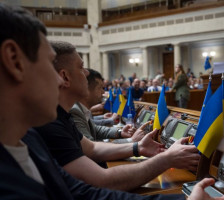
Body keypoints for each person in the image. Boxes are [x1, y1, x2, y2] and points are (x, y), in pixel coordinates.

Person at [0, 3, 188, 199]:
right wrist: (165, 159)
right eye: (48, 63)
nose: (58, 81)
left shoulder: (30, 138)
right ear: (14, 61)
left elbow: (82, 192)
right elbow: (97, 183)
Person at [35, 41, 201, 192]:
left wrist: (137, 147)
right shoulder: (49, 123)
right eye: (81, 67)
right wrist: (166, 159)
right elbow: (103, 181)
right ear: (65, 77)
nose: (86, 72)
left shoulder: (60, 115)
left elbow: (92, 148)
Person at [70, 68, 145, 142]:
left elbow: (95, 129)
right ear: (86, 90)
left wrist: (120, 132)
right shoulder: (75, 111)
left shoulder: (81, 109)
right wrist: (131, 140)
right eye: (100, 88)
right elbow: (92, 148)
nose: (103, 92)